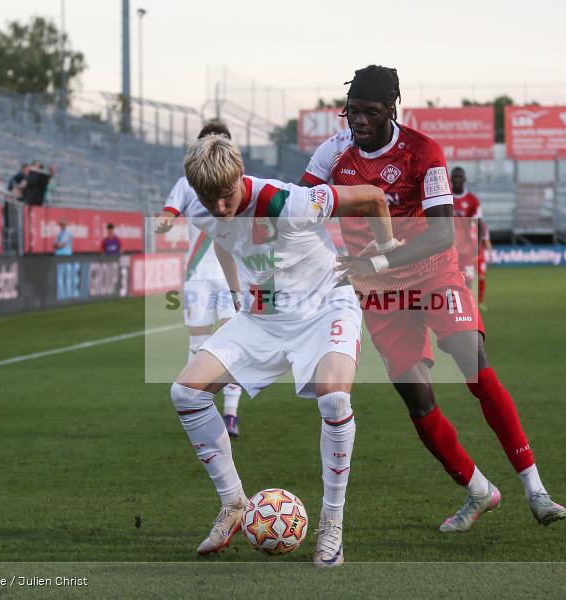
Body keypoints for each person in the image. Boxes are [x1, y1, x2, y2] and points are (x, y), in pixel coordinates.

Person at [301, 65, 566, 531]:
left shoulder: (423, 151)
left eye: (369, 112)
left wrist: (375, 263)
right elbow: (300, 210)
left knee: (474, 363)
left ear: (391, 109)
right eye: (350, 112)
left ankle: (536, 489)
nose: (357, 121)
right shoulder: (332, 153)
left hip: (431, 275)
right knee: (418, 402)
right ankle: (479, 491)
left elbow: (443, 233)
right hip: (380, 294)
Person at [170, 134, 399, 567]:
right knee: (186, 392)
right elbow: (223, 239)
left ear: (239, 176)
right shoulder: (209, 208)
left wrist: (384, 257)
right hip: (264, 317)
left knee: (334, 398)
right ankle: (233, 503)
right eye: (207, 198)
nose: (218, 207)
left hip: (324, 305)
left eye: (224, 196)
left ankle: (332, 525)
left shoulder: (291, 202)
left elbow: (373, 197)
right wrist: (238, 292)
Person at [157, 123, 244, 438]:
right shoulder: (186, 184)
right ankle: (195, 409)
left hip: (229, 274)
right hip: (197, 275)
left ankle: (231, 414)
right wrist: (165, 222)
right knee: (197, 343)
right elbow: (169, 211)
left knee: (231, 343)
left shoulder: (240, 184)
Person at [451, 167, 491, 306]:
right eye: (454, 177)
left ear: (464, 179)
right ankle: (454, 308)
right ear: (450, 179)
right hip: (450, 248)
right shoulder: (447, 198)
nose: (456, 180)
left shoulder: (473, 200)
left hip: (467, 249)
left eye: (459, 177)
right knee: (450, 279)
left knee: (467, 280)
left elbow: (480, 225)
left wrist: (477, 248)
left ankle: (469, 308)